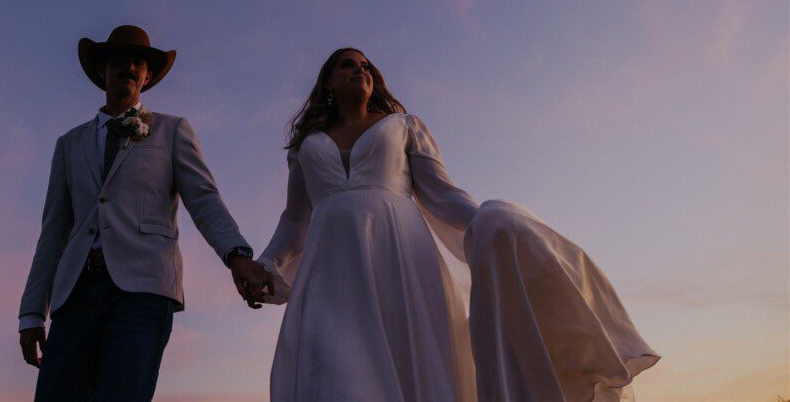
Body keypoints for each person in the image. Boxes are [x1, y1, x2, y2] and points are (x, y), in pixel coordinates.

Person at [254, 48, 659, 402]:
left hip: (400, 265)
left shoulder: (403, 126)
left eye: (366, 67)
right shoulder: (306, 145)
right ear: (328, 81)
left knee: (407, 365)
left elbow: (445, 195)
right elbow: (295, 218)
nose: (360, 70)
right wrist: (267, 263)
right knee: (328, 371)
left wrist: (491, 224)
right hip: (329, 274)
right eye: (347, 65)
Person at [17, 25, 272, 402]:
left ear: (148, 76)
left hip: (143, 291)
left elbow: (204, 199)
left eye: (138, 62)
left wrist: (236, 255)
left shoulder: (172, 131)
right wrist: (32, 313)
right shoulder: (69, 144)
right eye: (120, 60)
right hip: (74, 295)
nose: (130, 68)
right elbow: (54, 230)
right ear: (102, 71)